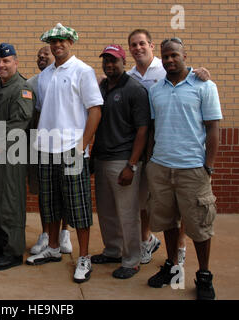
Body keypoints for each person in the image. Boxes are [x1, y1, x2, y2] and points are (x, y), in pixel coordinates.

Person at [26, 23, 103, 284]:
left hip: (72, 149)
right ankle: (54, 249)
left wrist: (82, 145)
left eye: (63, 40)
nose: (58, 45)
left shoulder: (83, 71)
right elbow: (42, 110)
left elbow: (95, 110)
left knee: (79, 207)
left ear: (71, 42)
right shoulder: (45, 75)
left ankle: (84, 257)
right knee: (49, 205)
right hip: (46, 148)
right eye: (54, 41)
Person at [126, 29, 211, 265]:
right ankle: (148, 241)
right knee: (150, 202)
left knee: (186, 208)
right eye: (133, 44)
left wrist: (209, 166)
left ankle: (181, 247)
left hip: (185, 157)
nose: (138, 48)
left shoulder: (169, 71)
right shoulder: (131, 76)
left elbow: (212, 125)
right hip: (149, 151)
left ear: (151, 46)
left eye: (142, 43)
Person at [146, 38, 221, 300]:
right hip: (162, 167)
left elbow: (213, 129)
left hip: (192, 169)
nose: (169, 60)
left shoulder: (205, 86)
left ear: (184, 55)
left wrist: (208, 166)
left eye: (174, 55)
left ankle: (203, 274)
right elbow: (154, 130)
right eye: (165, 56)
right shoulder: (156, 90)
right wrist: (152, 163)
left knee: (199, 226)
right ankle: (172, 266)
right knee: (168, 222)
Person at [90, 45, 149, 279]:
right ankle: (113, 250)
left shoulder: (135, 89)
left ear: (124, 62)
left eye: (114, 61)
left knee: (127, 213)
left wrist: (132, 165)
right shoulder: (102, 87)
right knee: (106, 212)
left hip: (123, 160)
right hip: (102, 158)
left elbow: (143, 130)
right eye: (106, 61)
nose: (109, 65)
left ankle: (132, 259)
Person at [0, 43, 35, 271]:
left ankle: (13, 252)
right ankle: (0, 243)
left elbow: (17, 125)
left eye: (6, 61)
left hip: (10, 156)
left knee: (11, 202)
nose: (1, 65)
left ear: (16, 62)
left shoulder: (22, 89)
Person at [27, 46, 72, 256]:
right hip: (40, 146)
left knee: (65, 190)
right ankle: (45, 233)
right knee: (45, 193)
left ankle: (64, 232)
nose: (42, 57)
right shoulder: (33, 83)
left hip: (65, 144)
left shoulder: (70, 76)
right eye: (39, 56)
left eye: (46, 54)